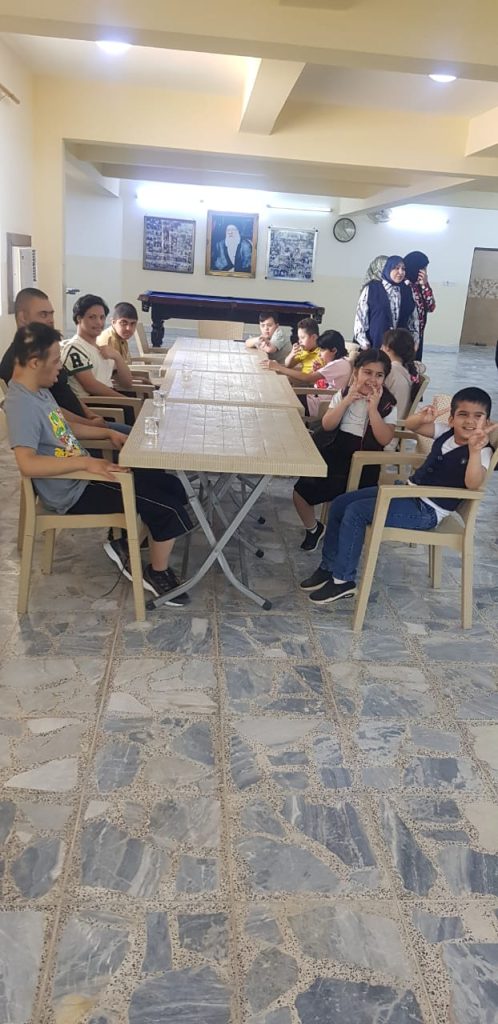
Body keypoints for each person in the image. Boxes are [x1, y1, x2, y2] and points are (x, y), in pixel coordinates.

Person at [4, 323, 193, 604]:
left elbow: (64, 427)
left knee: (170, 485)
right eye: (55, 361)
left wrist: (105, 433)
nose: (60, 368)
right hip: (73, 492)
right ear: (34, 362)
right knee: (167, 506)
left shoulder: (37, 391)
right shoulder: (21, 405)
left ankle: (128, 543)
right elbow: (27, 464)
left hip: (83, 476)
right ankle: (157, 573)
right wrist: (87, 464)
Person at [300, 387, 494, 605]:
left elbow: (473, 484)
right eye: (463, 414)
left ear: (486, 422)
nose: (470, 421)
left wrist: (474, 451)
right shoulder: (446, 432)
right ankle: (329, 567)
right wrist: (421, 418)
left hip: (427, 511)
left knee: (356, 512)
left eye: (478, 416)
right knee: (340, 503)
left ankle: (343, 580)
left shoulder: (483, 451)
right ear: (451, 419)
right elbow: (412, 426)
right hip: (407, 493)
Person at [293, 349, 397, 551]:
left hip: (364, 464)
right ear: (356, 372)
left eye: (379, 375)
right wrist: (347, 400)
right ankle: (314, 529)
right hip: (336, 454)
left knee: (349, 505)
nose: (372, 379)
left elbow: (385, 438)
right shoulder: (343, 394)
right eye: (367, 372)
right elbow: (327, 424)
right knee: (300, 493)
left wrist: (373, 410)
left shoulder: (388, 404)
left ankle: (342, 537)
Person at [0, 287, 120, 431]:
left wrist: (91, 415)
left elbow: (64, 393)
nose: (51, 320)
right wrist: (93, 426)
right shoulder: (19, 363)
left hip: (83, 425)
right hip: (70, 433)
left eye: (51, 314)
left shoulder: (45, 354)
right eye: (43, 314)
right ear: (23, 318)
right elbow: (50, 414)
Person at [62, 294, 134, 400]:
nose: (99, 322)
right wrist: (126, 400)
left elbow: (127, 384)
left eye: (102, 317)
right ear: (79, 318)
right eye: (92, 317)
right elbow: (91, 386)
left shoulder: (102, 349)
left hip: (111, 401)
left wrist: (117, 357)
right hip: (96, 404)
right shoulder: (75, 348)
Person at [264, 330, 352, 416]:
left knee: (279, 397)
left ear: (334, 350)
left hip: (316, 404)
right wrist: (320, 370)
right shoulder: (342, 362)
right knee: (282, 394)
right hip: (314, 397)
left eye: (322, 350)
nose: (320, 354)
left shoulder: (339, 364)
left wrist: (279, 368)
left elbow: (308, 378)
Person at [354, 255, 419, 352]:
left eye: (403, 269)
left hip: (400, 348)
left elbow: (413, 320)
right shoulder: (371, 289)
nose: (401, 272)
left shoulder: (408, 290)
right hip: (375, 345)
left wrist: (415, 341)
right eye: (396, 268)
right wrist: (365, 344)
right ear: (387, 268)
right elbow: (360, 318)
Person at [381, 327, 421, 420]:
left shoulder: (389, 371)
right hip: (399, 420)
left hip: (386, 422)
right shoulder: (408, 370)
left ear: (387, 348)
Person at [404, 251, 435, 358]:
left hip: (419, 333)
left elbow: (431, 307)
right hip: (404, 335)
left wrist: (425, 285)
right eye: (423, 269)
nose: (425, 272)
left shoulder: (420, 285)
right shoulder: (403, 285)